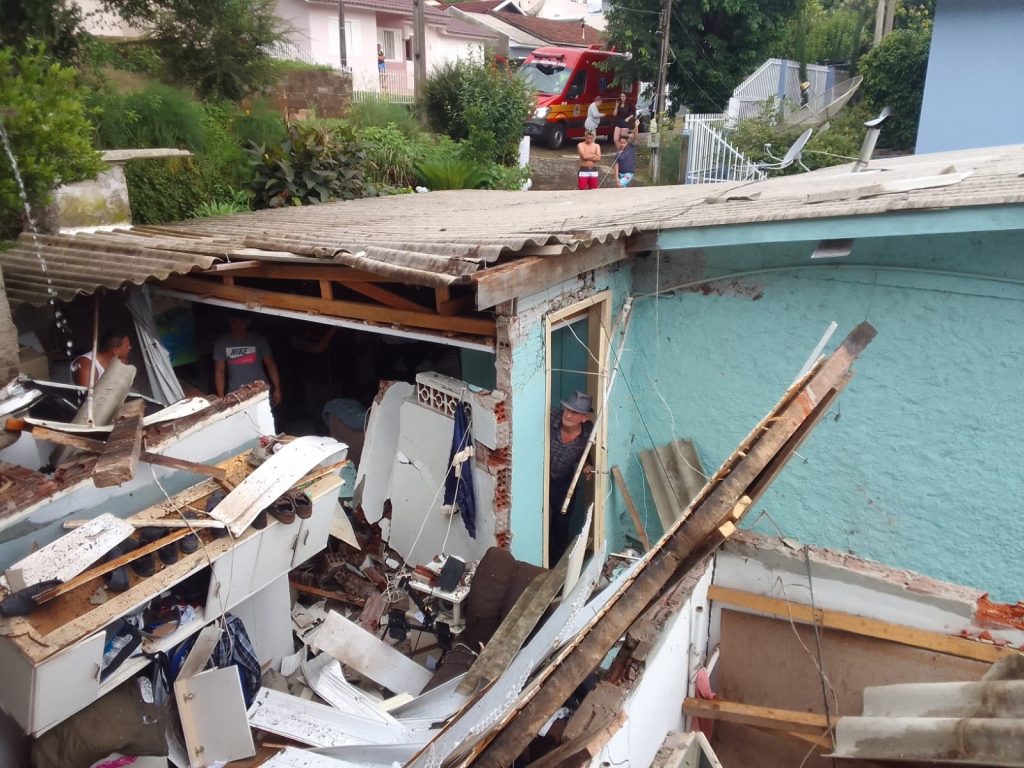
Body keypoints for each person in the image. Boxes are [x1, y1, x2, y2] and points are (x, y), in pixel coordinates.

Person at [548, 391, 594, 564]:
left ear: (584, 417)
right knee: (536, 515)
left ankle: (554, 564)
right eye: (567, 409)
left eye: (575, 412)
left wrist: (587, 465)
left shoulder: (588, 433)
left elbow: (584, 453)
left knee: (561, 522)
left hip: (562, 479)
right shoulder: (552, 417)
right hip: (538, 477)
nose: (568, 415)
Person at [213, 314, 283, 405]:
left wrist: (277, 389)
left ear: (248, 322)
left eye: (242, 322)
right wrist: (221, 397)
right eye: (235, 322)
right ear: (230, 322)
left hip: (260, 391)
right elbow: (220, 371)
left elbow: (270, 365)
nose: (238, 326)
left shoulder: (259, 340)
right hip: (236, 394)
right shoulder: (221, 344)